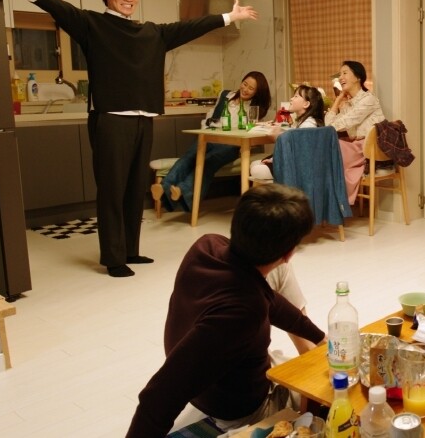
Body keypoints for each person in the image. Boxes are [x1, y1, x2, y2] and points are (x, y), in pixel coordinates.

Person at [0, 0, 259, 278]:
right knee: (112, 189)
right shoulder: (92, 25)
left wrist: (229, 16)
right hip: (110, 120)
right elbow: (57, 7)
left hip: (143, 119)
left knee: (135, 187)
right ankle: (112, 257)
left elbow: (191, 27)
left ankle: (130, 250)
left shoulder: (152, 33)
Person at [127, 183, 326, 436]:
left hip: (216, 380)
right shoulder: (243, 311)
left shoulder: (208, 245)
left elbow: (270, 300)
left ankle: (314, 353)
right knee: (327, 392)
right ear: (289, 253)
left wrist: (319, 337)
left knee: (303, 363)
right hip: (241, 410)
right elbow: (158, 397)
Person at [152, 71, 272, 213]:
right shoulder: (225, 95)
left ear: (257, 92)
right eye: (244, 84)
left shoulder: (254, 108)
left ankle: (182, 190)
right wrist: (207, 129)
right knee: (190, 156)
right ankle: (164, 186)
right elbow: (211, 116)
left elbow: (249, 129)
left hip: (232, 146)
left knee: (208, 161)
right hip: (211, 137)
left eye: (251, 88)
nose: (245, 89)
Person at [327, 61, 386, 203]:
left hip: (369, 149)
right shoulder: (349, 104)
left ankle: (336, 202)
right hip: (356, 146)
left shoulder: (368, 99)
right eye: (340, 74)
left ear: (358, 77)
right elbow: (328, 125)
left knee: (329, 150)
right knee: (327, 150)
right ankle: (333, 201)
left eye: (345, 73)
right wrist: (338, 100)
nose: (340, 77)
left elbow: (336, 126)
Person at [249, 84, 326, 182]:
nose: (291, 99)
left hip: (298, 167)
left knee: (255, 169)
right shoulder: (304, 122)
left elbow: (298, 153)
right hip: (294, 162)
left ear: (306, 104)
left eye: (296, 96)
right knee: (254, 164)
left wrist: (278, 140)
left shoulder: (308, 126)